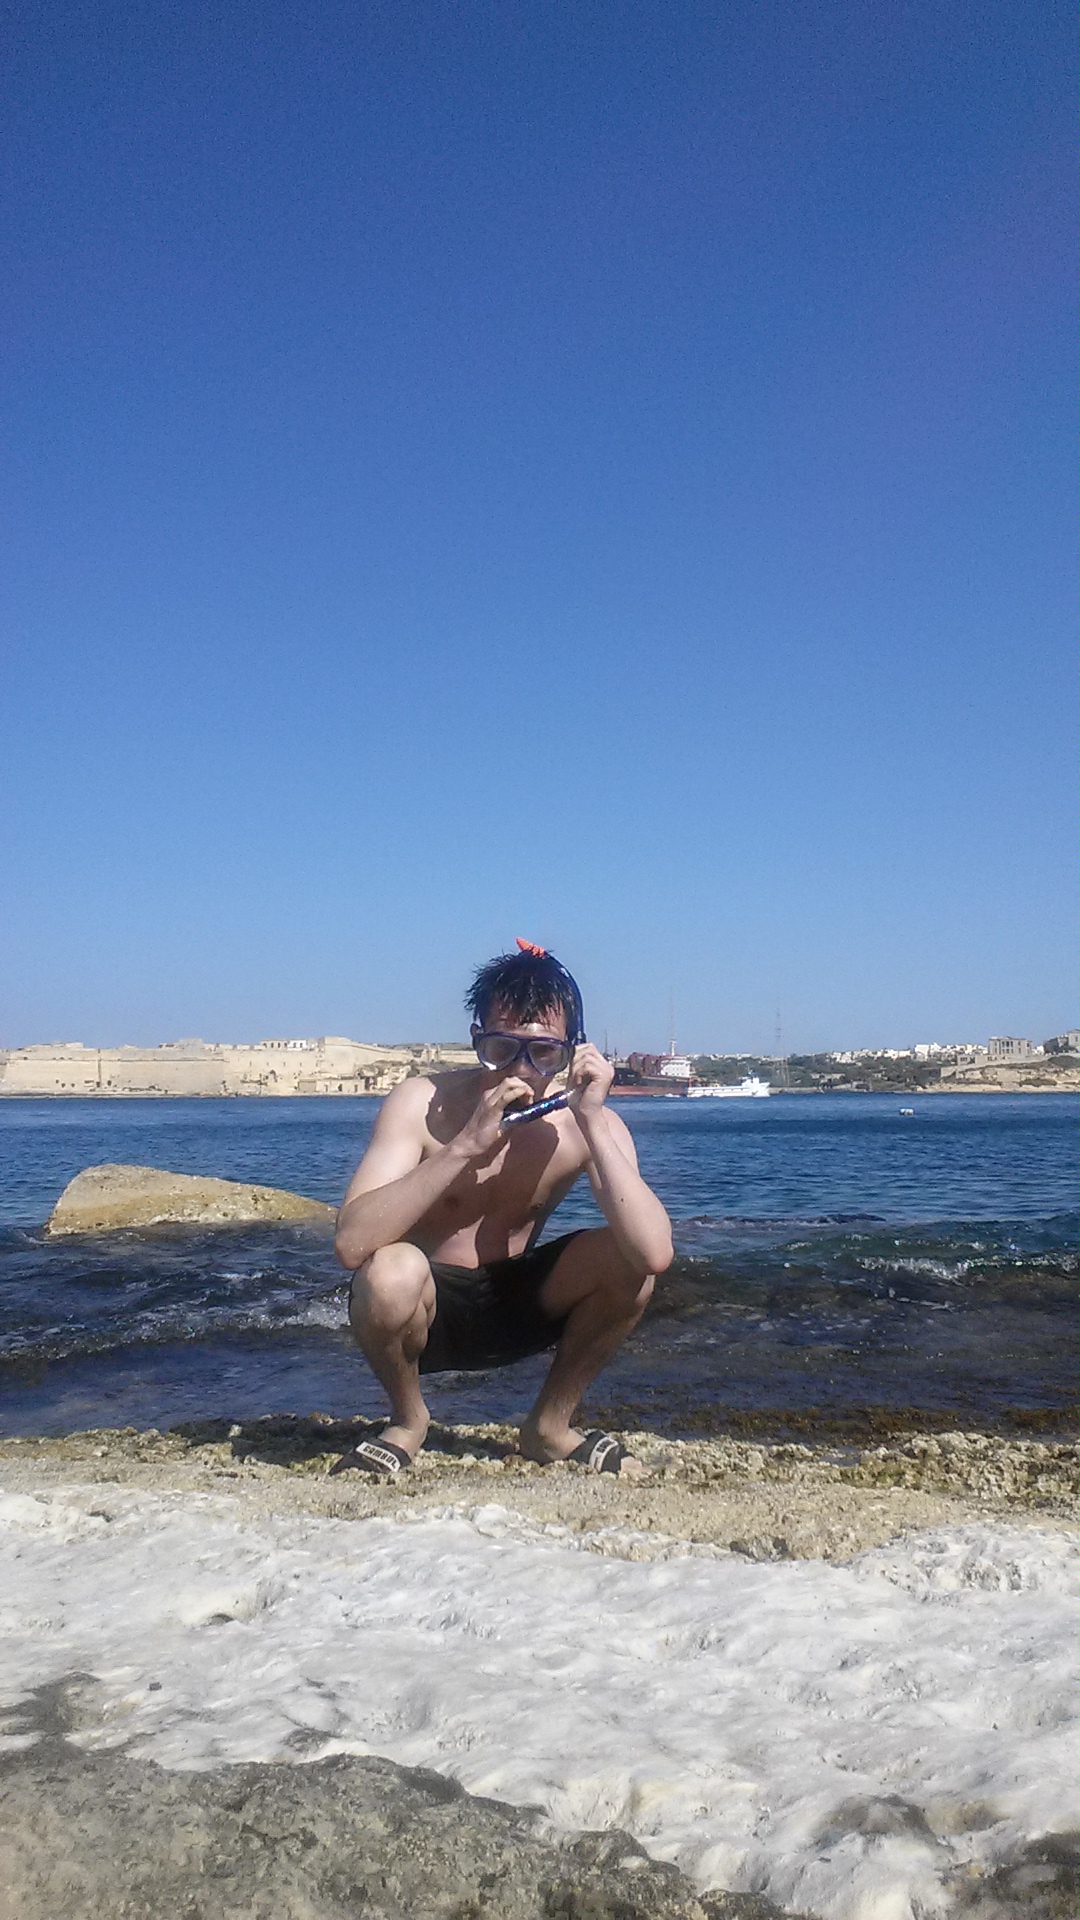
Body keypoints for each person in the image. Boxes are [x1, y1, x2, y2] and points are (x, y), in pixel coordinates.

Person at [333, 940, 674, 1478]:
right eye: (501, 1049)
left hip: (518, 1307)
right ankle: (409, 1420)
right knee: (389, 1272)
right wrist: (463, 1146)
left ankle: (550, 1427)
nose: (520, 1070)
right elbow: (352, 1244)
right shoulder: (421, 1103)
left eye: (543, 1054)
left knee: (626, 1262)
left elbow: (653, 1254)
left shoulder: (587, 1126)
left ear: (572, 1053)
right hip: (428, 1310)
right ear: (476, 1039)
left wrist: (591, 1119)